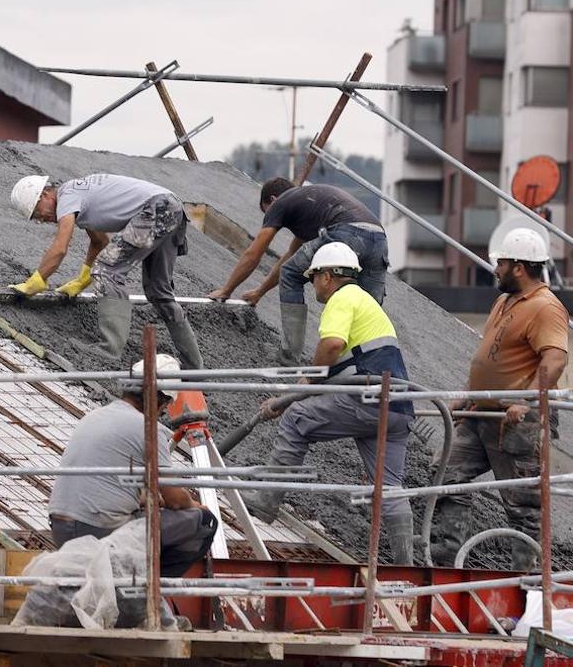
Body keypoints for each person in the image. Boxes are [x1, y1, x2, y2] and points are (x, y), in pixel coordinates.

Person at [243, 242, 415, 565]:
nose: (312, 285)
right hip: (398, 408)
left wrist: (307, 382)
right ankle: (407, 564)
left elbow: (333, 344)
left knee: (297, 418)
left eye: (313, 278)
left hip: (368, 400)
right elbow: (352, 365)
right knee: (390, 486)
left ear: (327, 276)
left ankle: (265, 501)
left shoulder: (341, 298)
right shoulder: (366, 302)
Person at [430, 228, 568, 571]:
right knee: (448, 473)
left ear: (519, 267)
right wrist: (467, 397)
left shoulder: (545, 307)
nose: (495, 269)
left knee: (523, 503)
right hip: (482, 414)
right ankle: (446, 561)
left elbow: (555, 360)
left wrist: (529, 401)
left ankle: (526, 579)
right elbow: (490, 359)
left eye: (502, 264)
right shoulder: (504, 300)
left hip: (516, 421)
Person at [47, 353, 219, 577]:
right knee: (205, 522)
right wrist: (196, 506)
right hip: (98, 531)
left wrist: (143, 498)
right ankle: (146, 590)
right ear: (158, 399)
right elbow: (176, 500)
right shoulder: (147, 428)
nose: (164, 411)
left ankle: (127, 582)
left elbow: (104, 485)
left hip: (61, 528)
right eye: (166, 404)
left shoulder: (95, 416)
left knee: (145, 509)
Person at [8, 174, 204, 368]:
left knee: (106, 270)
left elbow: (60, 247)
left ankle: (109, 350)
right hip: (171, 208)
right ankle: (194, 366)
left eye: (36, 212)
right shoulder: (80, 195)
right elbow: (99, 241)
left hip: (156, 208)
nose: (41, 219)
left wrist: (37, 279)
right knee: (158, 291)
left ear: (44, 195)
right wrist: (83, 278)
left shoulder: (67, 196)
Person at [207, 178, 388, 362]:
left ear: (273, 199)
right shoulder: (311, 208)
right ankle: (367, 364)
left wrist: (226, 290)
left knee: (292, 275)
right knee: (368, 304)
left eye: (267, 211)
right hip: (379, 239)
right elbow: (291, 258)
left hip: (347, 232)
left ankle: (289, 356)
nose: (270, 218)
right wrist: (259, 292)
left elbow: (254, 253)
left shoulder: (283, 202)